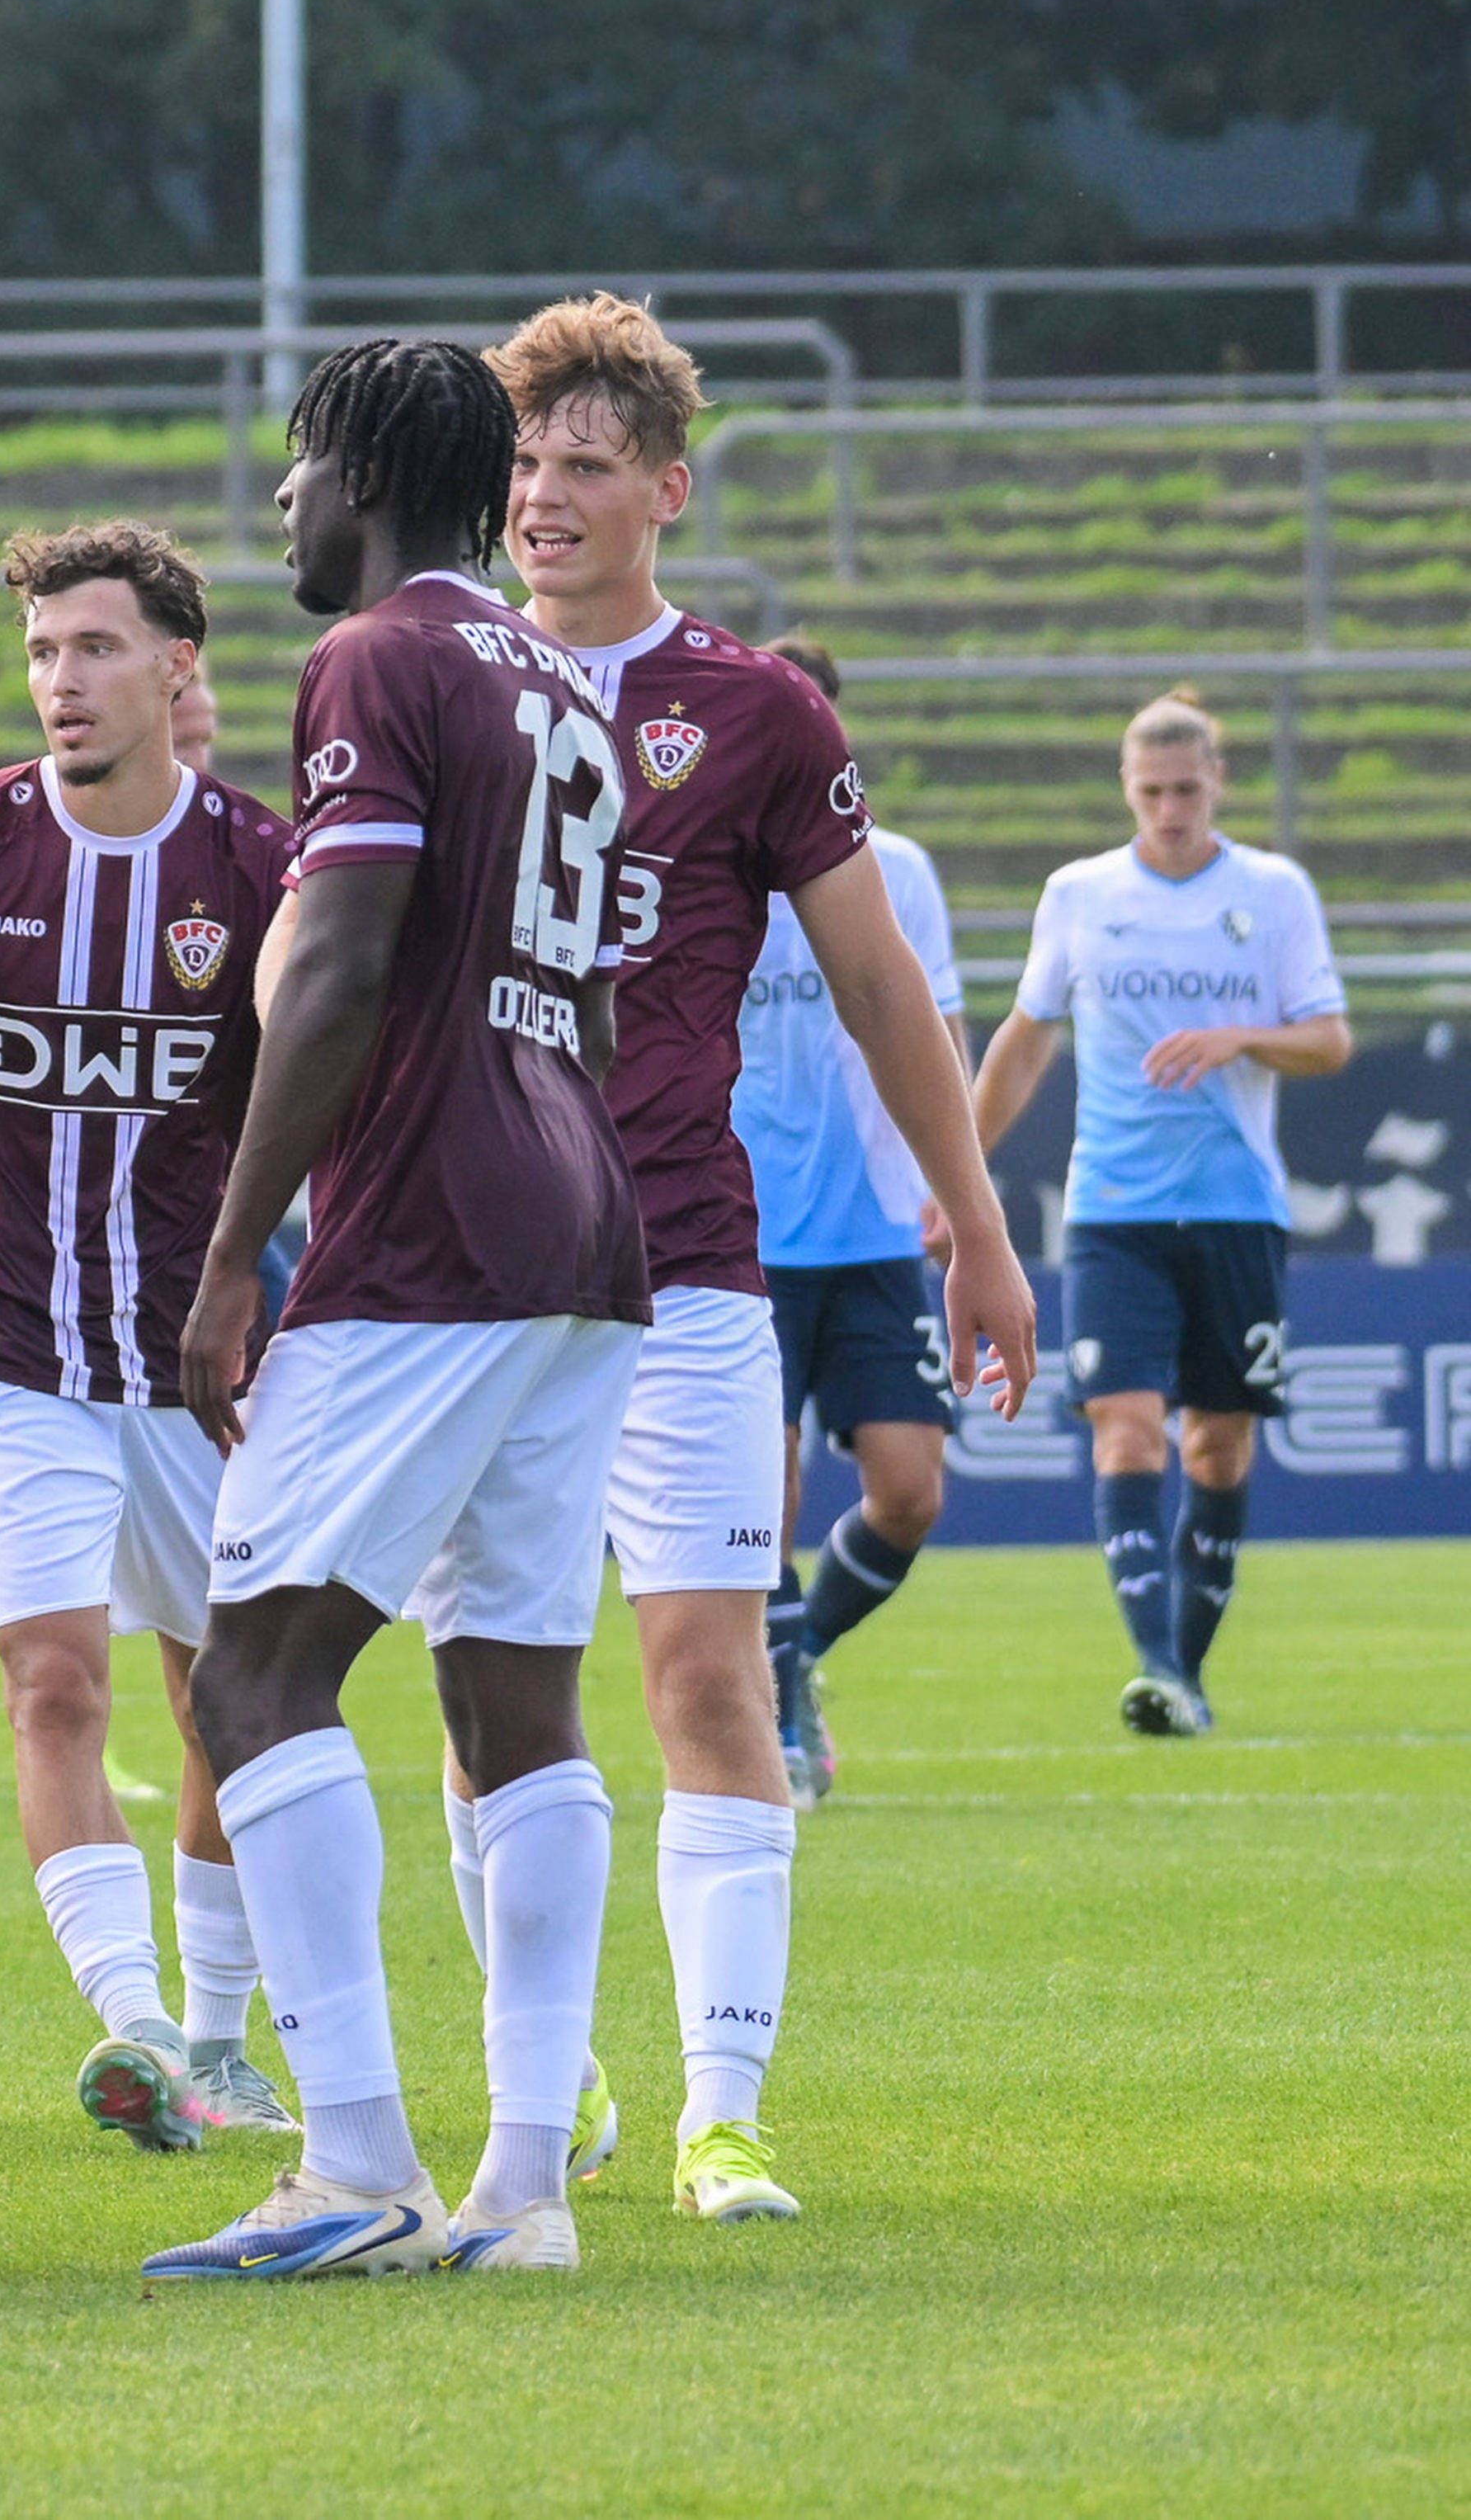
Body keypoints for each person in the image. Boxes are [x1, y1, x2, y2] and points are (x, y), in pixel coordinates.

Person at [480, 295, 1035, 2226]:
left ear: (664, 489)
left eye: (581, 465)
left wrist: (972, 1225)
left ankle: (726, 2116)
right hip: (464, 1277)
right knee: (499, 1695)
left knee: (708, 1678)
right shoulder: (430, 680)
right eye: (524, 463)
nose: (543, 496)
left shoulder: (752, 711)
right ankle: (543, 2090)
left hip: (689, 1271)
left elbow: (883, 988)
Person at [144, 337, 646, 2284]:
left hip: (433, 1225)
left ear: (357, 466)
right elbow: (592, 998)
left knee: (251, 1675)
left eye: (292, 467)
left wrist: (226, 1254)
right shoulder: (555, 680)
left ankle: (348, 2159)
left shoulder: (377, 662)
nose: (279, 506)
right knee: (513, 1691)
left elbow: (340, 963)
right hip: (581, 1216)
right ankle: (522, 2187)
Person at [0, 518, 304, 2165]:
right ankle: (142, 2028)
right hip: (4, 1346)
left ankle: (229, 2040)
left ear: (179, 668)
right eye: (40, 652)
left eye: (92, 648)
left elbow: (342, 1079)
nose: (59, 681)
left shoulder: (261, 867)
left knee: (228, 1690)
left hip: (198, 1362)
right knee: (52, 1680)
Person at [974, 693, 1347, 1736]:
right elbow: (1024, 1035)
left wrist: (1236, 1037)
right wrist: (956, 1166)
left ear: (1217, 780)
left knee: (1215, 1449)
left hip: (1234, 1207)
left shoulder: (1271, 891)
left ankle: (1182, 1674)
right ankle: (1153, 1665)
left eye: (1186, 790)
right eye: (1149, 792)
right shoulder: (1080, 893)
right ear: (1124, 789)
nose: (1169, 811)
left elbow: (1325, 1040)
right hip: (1112, 1208)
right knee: (1125, 1430)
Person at [737, 634, 970, 1805]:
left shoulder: (899, 870)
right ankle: (779, 1713)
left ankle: (794, 1659)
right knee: (758, 1493)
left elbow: (937, 1024)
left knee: (911, 1488)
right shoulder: (708, 861)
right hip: (742, 1235)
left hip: (876, 1230)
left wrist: (954, 1176)